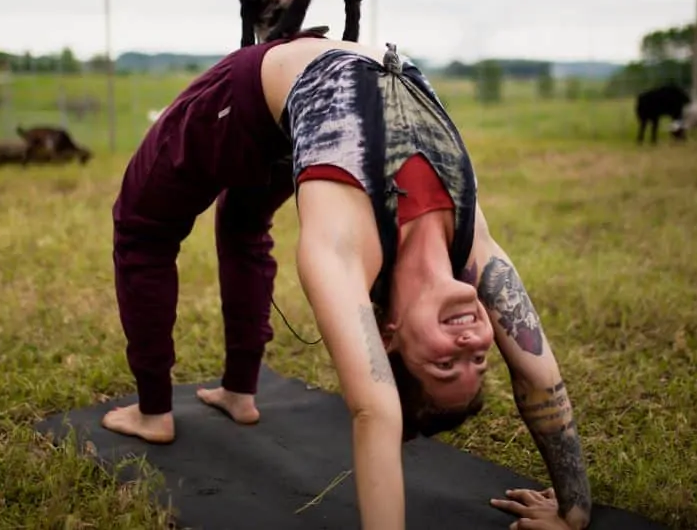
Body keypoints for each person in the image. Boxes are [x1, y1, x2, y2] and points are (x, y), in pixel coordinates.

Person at [103, 29, 592, 530]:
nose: (469, 340)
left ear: (388, 336)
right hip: (297, 107)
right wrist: (573, 513)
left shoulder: (342, 252)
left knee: (142, 227)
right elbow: (538, 375)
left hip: (247, 98)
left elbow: (374, 413)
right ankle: (238, 393)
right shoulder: (473, 249)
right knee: (242, 221)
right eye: (479, 357)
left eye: (446, 363)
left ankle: (154, 411)